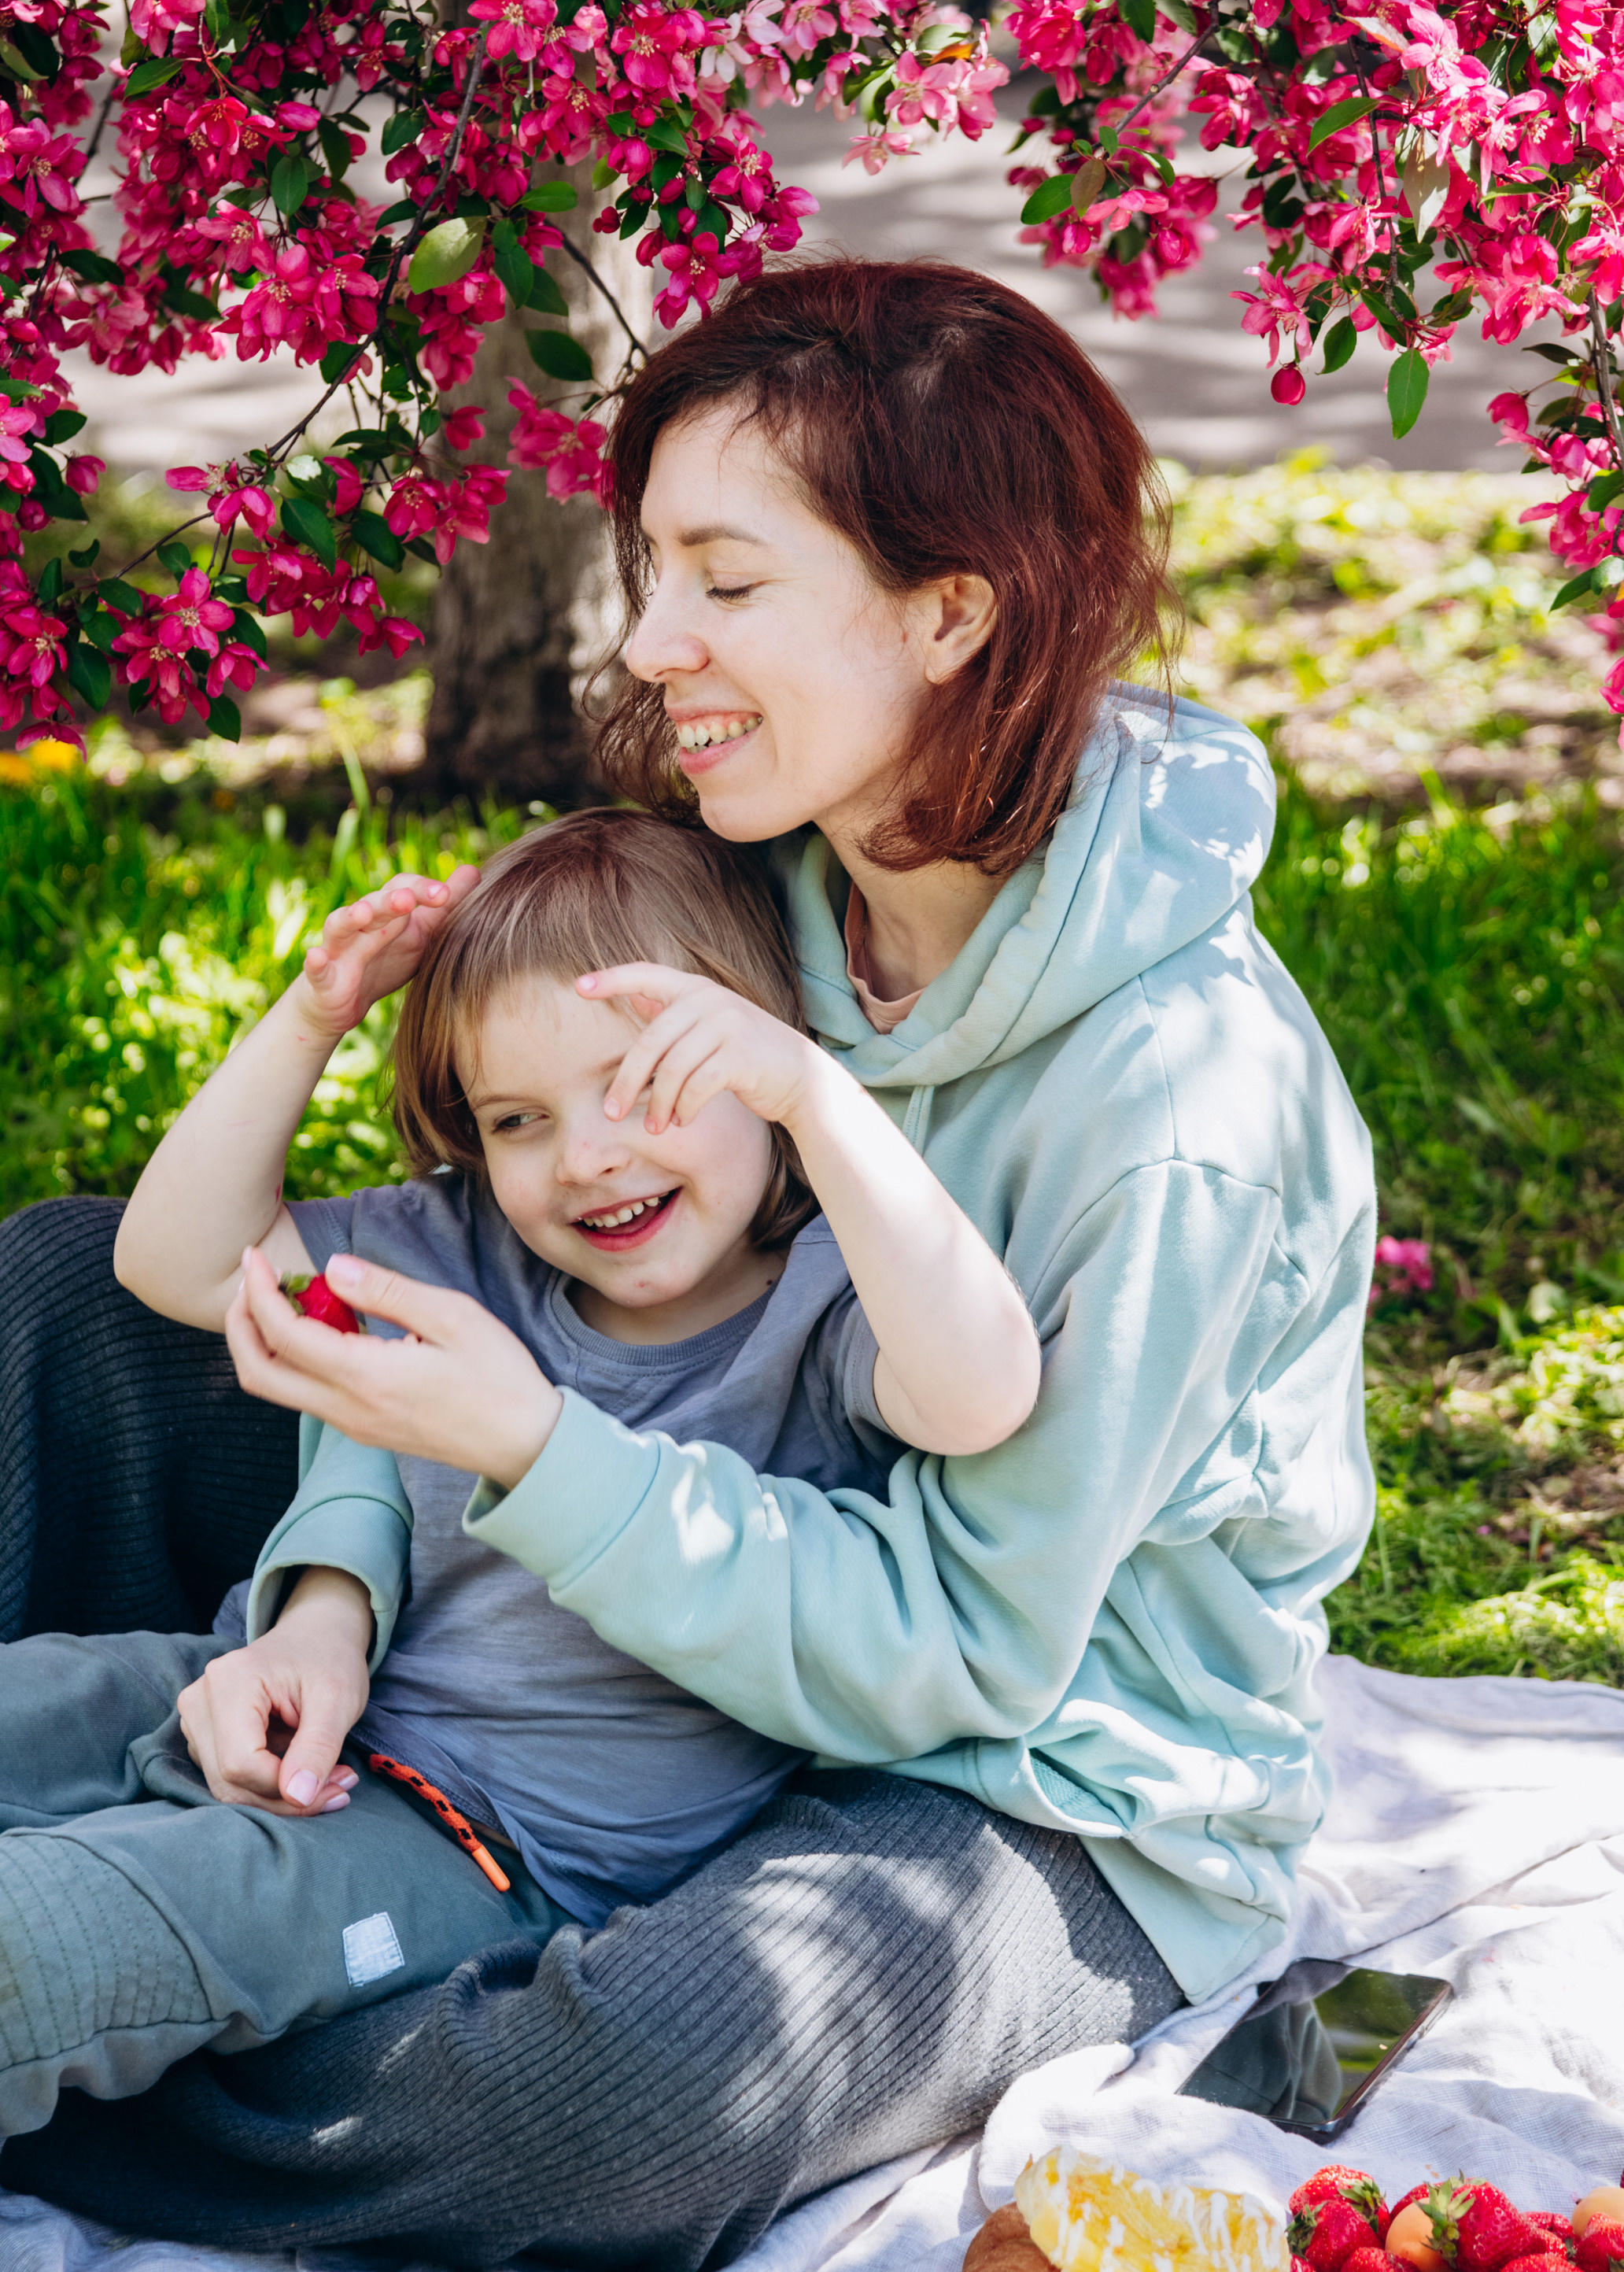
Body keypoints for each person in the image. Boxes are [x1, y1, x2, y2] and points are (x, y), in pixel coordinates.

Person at [0, 258, 1377, 2266]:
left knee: (607, 2103)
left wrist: (539, 1458)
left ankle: (140, 2009)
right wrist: (329, 1586)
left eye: (725, 584)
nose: (652, 644)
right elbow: (465, 1235)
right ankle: (186, 1873)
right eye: (653, 571)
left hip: (1019, 1776)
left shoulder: (1186, 1118)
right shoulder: (768, 863)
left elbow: (962, 1653)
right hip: (632, 1594)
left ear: (949, 610)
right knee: (66, 1295)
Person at [0, 806, 1042, 2133]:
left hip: (476, 1850)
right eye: (517, 1119)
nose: (588, 1156)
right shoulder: (459, 1248)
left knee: (48, 1940)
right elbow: (180, 1262)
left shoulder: (826, 1317)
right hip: (253, 1694)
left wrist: (816, 1098)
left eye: (643, 1083)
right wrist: (311, 1019)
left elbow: (984, 1389)